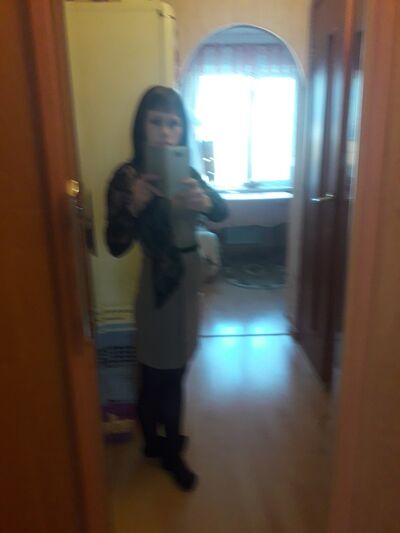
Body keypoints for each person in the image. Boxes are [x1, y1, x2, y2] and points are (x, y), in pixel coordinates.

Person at [106, 86, 228, 491]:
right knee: (160, 375)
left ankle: (156, 442)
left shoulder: (187, 171)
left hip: (188, 289)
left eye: (173, 123)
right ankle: (168, 450)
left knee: (175, 368)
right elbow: (115, 245)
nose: (164, 131)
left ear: (182, 130)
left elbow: (223, 211)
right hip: (156, 290)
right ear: (141, 127)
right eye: (156, 121)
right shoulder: (127, 177)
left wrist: (205, 202)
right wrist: (134, 205)